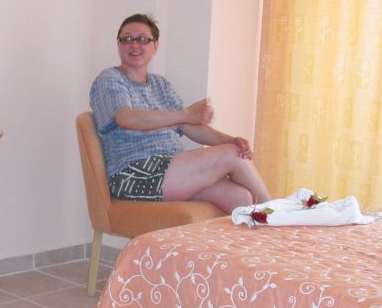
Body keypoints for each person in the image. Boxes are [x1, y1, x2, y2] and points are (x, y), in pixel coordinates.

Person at [89, 13, 271, 214]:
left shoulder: (160, 84)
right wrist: (186, 114)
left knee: (241, 197)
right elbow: (126, 118)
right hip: (133, 174)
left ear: (155, 46)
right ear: (118, 44)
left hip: (171, 169)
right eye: (126, 39)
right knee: (232, 155)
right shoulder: (110, 79)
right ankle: (278, 216)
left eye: (142, 39)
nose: (134, 45)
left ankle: (261, 231)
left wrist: (230, 140)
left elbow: (188, 126)